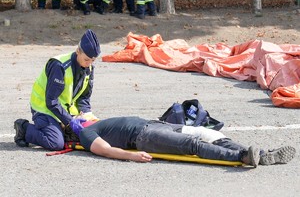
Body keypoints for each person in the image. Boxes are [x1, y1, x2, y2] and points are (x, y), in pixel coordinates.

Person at [75, 116, 296, 167]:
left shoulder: (94, 121)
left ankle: (264, 154)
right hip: (143, 137)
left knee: (207, 134)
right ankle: (243, 156)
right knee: (191, 145)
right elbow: (104, 150)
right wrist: (131, 156)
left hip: (156, 124)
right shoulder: (85, 134)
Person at [14, 29, 101, 151]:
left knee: (86, 134)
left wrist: (87, 115)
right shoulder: (59, 66)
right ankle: (24, 128)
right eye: (87, 59)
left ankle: (61, 128)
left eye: (93, 60)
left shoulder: (89, 68)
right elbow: (51, 101)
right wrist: (70, 121)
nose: (89, 64)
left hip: (63, 110)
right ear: (78, 51)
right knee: (55, 143)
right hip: (44, 109)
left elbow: (84, 98)